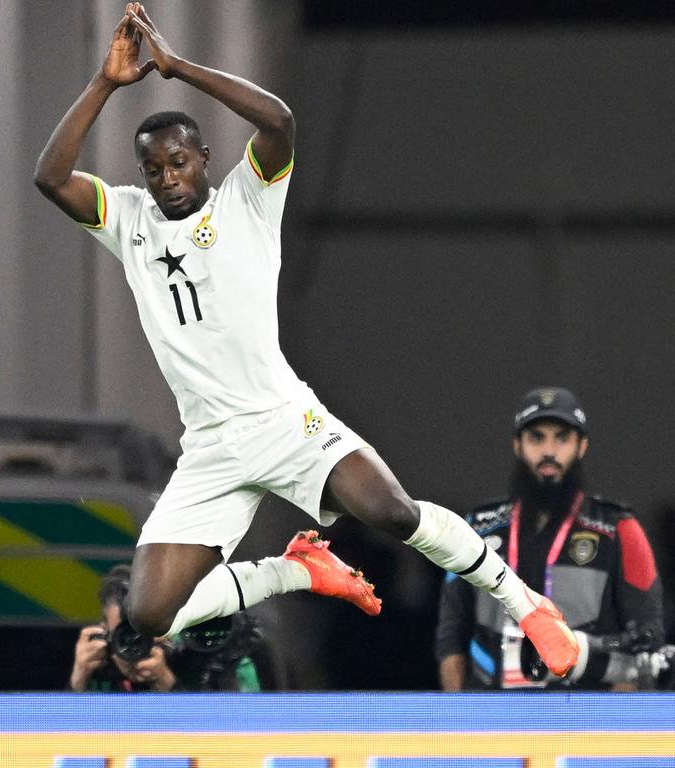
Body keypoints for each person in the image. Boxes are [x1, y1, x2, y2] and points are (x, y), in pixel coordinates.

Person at [35, 3, 577, 682]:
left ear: (204, 158)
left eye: (178, 162)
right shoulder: (130, 220)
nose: (167, 178)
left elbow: (280, 121)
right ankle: (295, 570)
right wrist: (105, 83)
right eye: (154, 169)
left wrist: (176, 69)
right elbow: (51, 177)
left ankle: (525, 604)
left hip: (284, 421)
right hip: (210, 448)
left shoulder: (248, 199)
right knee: (147, 617)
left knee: (393, 512)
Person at [435, 386, 665, 691]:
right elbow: (451, 635)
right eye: (536, 437)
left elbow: (648, 641)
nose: (549, 451)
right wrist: (457, 720)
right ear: (517, 445)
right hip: (490, 712)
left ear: (582, 446)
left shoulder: (619, 528)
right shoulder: (477, 527)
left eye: (562, 437)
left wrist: (613, 723)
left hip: (583, 717)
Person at [69, 564, 275, 692]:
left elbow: (238, 740)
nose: (141, 642)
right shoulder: (100, 670)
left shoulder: (214, 662)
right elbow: (60, 746)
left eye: (153, 629)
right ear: (105, 633)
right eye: (127, 634)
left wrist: (167, 684)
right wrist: (78, 680)